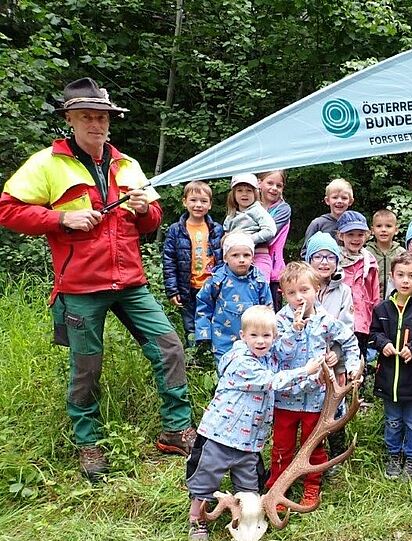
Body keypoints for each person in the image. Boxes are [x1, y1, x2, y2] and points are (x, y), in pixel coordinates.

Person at [0, 78, 195, 480]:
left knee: (170, 346)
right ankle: (89, 441)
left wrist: (144, 209)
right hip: (81, 286)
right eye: (87, 116)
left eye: (102, 116)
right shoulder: (46, 164)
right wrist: (60, 218)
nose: (96, 123)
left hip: (130, 282)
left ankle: (176, 430)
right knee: (87, 366)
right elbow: (7, 209)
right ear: (70, 119)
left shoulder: (127, 165)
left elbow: (152, 221)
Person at [186, 306, 324, 541]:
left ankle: (244, 521)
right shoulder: (241, 362)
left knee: (249, 488)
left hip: (250, 441)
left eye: (266, 336)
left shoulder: (267, 357)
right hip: (220, 436)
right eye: (254, 335)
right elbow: (272, 381)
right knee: (205, 480)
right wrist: (305, 370)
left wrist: (294, 332)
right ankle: (197, 519)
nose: (261, 341)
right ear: (242, 336)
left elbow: (282, 354)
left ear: (274, 336)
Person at [268, 262, 361, 506]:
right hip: (286, 398)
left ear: (316, 289)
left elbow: (350, 341)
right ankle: (278, 486)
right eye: (291, 293)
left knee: (313, 445)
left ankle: (312, 485)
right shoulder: (279, 322)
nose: (299, 298)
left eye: (304, 290)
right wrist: (294, 332)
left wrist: (349, 365)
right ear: (283, 294)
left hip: (317, 398)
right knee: (282, 447)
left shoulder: (326, 321)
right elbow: (276, 353)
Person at [368, 252, 412, 481]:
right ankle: (394, 455)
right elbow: (373, 334)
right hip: (389, 380)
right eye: (400, 275)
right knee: (393, 421)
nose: (405, 280)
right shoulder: (382, 309)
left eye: (411, 275)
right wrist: (383, 344)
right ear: (392, 277)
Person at [306, 231, 354, 473]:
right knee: (312, 406)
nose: (324, 262)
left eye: (329, 257)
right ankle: (313, 450)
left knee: (335, 404)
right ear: (309, 260)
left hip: (336, 362)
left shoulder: (343, 291)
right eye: (318, 256)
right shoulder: (302, 288)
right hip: (310, 362)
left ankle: (336, 452)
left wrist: (336, 352)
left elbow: (347, 327)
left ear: (337, 261)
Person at [162, 180, 224, 345]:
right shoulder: (176, 230)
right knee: (190, 324)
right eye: (193, 200)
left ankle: (211, 353)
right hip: (187, 287)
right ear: (184, 202)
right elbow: (169, 261)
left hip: (212, 285)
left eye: (203, 201)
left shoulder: (216, 229)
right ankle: (194, 356)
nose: (198, 205)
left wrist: (222, 282)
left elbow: (224, 258)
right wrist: (172, 290)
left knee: (213, 319)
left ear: (210, 205)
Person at [195, 233, 272, 363]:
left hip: (253, 339)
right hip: (222, 338)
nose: (241, 259)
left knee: (251, 368)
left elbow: (268, 309)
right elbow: (203, 306)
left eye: (246, 255)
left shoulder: (259, 281)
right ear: (225, 257)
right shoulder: (217, 281)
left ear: (252, 257)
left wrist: (270, 333)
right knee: (226, 370)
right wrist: (204, 333)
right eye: (235, 255)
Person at [336, 211, 380, 358]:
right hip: (339, 321)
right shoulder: (334, 261)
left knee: (358, 364)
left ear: (366, 236)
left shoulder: (370, 261)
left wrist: (375, 322)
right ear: (340, 235)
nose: (355, 239)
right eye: (350, 234)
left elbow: (375, 295)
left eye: (360, 234)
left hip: (362, 322)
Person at [223, 174, 276, 281]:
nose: (244, 194)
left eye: (249, 190)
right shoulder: (231, 215)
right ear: (233, 194)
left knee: (259, 285)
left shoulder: (257, 210)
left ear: (255, 193)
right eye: (239, 190)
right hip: (236, 258)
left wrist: (246, 240)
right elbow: (226, 236)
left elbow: (270, 230)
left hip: (258, 255)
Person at [257, 170, 291, 310]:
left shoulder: (283, 209)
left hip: (273, 272)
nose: (274, 188)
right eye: (270, 183)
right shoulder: (250, 206)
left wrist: (240, 238)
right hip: (247, 266)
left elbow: (268, 236)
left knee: (270, 314)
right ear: (259, 183)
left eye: (279, 185)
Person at [300, 178, 354, 259]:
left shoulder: (354, 224)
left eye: (344, 198)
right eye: (335, 197)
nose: (339, 201)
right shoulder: (318, 224)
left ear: (350, 201)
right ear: (327, 200)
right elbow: (305, 252)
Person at [366, 208, 404, 299]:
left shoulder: (402, 254)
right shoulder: (366, 253)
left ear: (396, 230)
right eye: (379, 226)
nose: (383, 230)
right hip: (372, 301)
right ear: (372, 230)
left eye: (388, 226)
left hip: (395, 301)